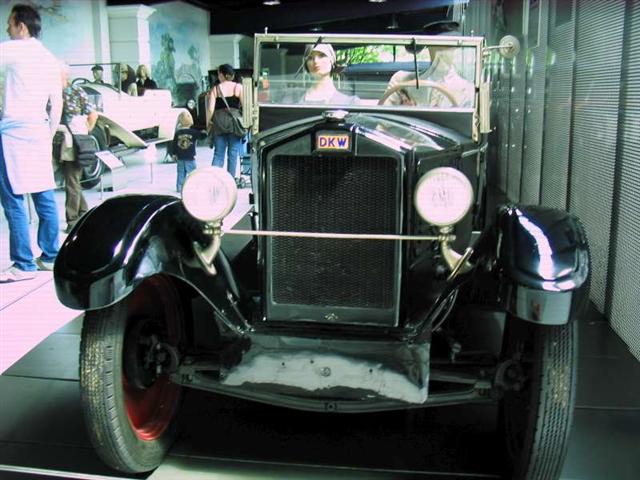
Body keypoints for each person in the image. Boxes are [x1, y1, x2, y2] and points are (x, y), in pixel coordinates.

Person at [0, 4, 63, 283]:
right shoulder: (49, 57)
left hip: (14, 132)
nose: (7, 29)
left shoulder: (17, 49)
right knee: (43, 194)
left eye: (10, 24)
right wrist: (47, 136)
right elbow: (57, 104)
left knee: (13, 198)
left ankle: (23, 264)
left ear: (22, 27)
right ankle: (50, 256)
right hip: (39, 130)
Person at [383, 21, 475, 108]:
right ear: (428, 48)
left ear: (456, 49)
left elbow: (467, 118)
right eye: (438, 47)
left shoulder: (466, 89)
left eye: (449, 47)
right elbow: (384, 116)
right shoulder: (401, 80)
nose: (443, 53)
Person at [59, 62, 98, 233]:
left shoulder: (75, 91)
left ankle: (73, 220)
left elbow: (93, 114)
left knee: (72, 181)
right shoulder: (53, 92)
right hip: (60, 142)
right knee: (72, 181)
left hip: (72, 142)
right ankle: (83, 212)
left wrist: (84, 133)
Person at [207, 64, 244, 183]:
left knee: (218, 153)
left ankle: (214, 180)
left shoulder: (215, 89)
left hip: (218, 122)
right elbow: (245, 105)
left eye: (219, 73)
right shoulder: (238, 87)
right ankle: (230, 181)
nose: (218, 76)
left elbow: (210, 109)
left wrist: (208, 123)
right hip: (234, 122)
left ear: (223, 75)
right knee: (233, 153)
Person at [168, 111, 205, 192]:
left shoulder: (177, 133)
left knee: (181, 173)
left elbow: (174, 144)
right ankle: (195, 186)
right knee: (192, 173)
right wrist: (205, 132)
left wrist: (174, 154)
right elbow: (202, 137)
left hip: (180, 157)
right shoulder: (193, 132)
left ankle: (179, 187)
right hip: (190, 157)